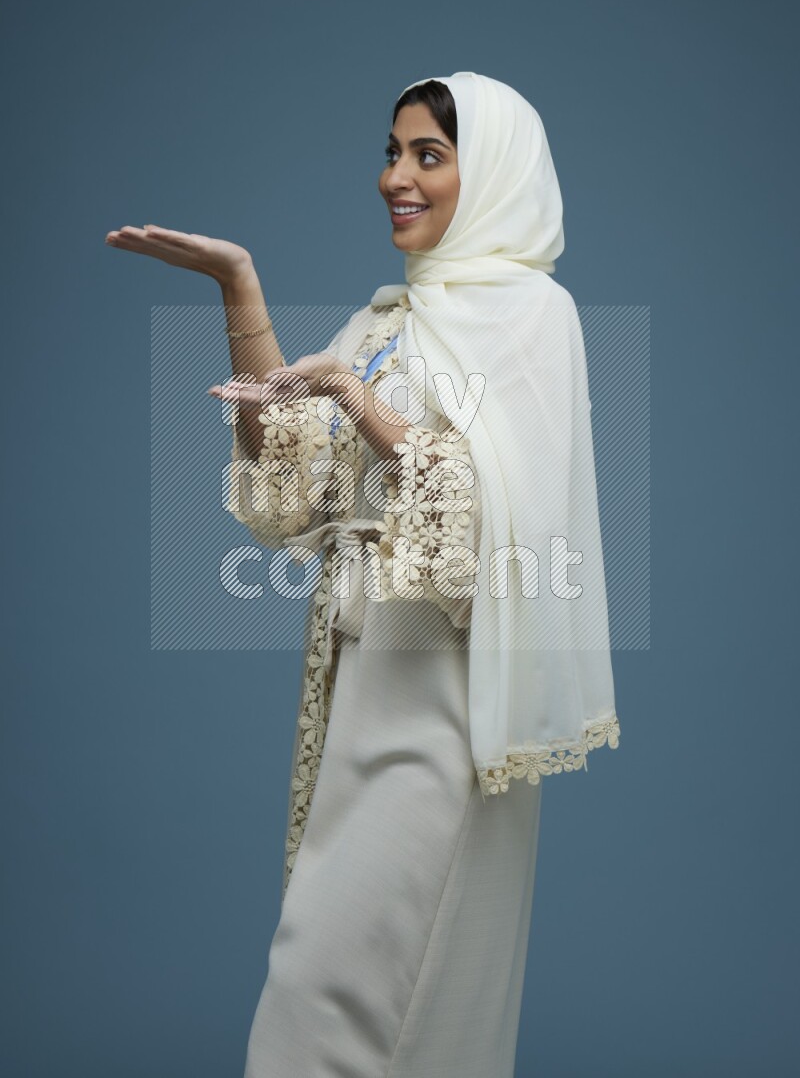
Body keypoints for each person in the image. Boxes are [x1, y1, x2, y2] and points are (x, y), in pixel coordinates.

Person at [106, 70, 620, 1077]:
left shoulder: (533, 315)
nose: (396, 176)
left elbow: (495, 524)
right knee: (329, 983)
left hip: (448, 702)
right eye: (391, 153)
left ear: (493, 173)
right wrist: (240, 288)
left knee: (350, 996)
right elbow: (291, 488)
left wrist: (355, 395)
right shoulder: (389, 321)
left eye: (429, 155)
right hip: (352, 690)